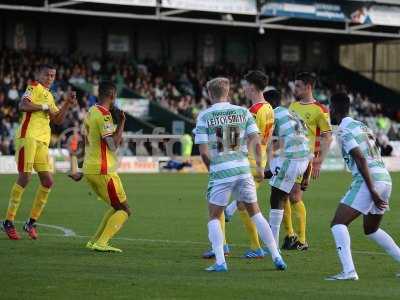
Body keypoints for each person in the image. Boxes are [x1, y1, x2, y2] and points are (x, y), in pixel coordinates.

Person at [194, 77, 286, 272]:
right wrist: (261, 167)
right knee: (257, 213)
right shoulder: (243, 112)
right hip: (244, 169)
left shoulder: (204, 116)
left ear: (210, 94)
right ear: (228, 92)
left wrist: (212, 168)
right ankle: (277, 256)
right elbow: (255, 141)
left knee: (214, 216)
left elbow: (203, 152)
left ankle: (220, 262)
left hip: (221, 171)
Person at [326, 93, 400, 280]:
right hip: (384, 177)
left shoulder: (344, 130)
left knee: (338, 222)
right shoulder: (362, 126)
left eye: (329, 108)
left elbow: (360, 157)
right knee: (371, 229)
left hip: (370, 181)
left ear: (334, 109)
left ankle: (349, 271)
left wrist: (372, 190)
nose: (328, 112)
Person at [2, 64, 77, 240]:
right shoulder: (33, 87)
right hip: (28, 136)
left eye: (53, 75)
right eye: (47, 75)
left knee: (48, 181)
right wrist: (43, 107)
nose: (50, 78)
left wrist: (66, 103)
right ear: (39, 75)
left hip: (43, 141)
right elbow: (22, 105)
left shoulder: (50, 96)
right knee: (25, 176)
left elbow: (58, 120)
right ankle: (8, 221)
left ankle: (30, 223)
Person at [207, 71, 274, 259]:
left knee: (217, 203)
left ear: (252, 87)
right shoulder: (269, 108)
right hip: (257, 161)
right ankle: (253, 246)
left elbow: (239, 139)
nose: (243, 88)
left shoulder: (252, 111)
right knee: (244, 205)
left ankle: (222, 247)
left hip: (244, 162)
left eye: (245, 85)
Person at [69, 81, 131, 253]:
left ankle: (94, 241)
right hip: (104, 170)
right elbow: (113, 145)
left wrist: (78, 168)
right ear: (112, 95)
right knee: (125, 210)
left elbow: (83, 142)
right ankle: (102, 242)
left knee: (115, 206)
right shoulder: (104, 115)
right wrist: (122, 124)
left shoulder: (91, 112)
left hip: (90, 169)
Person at [282, 72, 332, 250]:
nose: (295, 89)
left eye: (298, 86)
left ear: (308, 87)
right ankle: (290, 236)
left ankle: (301, 240)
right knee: (283, 195)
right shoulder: (293, 106)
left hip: (305, 159)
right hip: (289, 157)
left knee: (294, 196)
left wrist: (318, 161)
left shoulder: (320, 110)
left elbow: (328, 137)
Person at [262, 89, 312, 247]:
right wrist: (306, 174)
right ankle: (291, 236)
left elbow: (266, 140)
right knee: (286, 196)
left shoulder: (272, 114)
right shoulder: (292, 114)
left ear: (267, 103)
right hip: (303, 159)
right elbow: (299, 139)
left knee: (276, 196)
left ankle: (273, 242)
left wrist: (266, 164)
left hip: (292, 159)